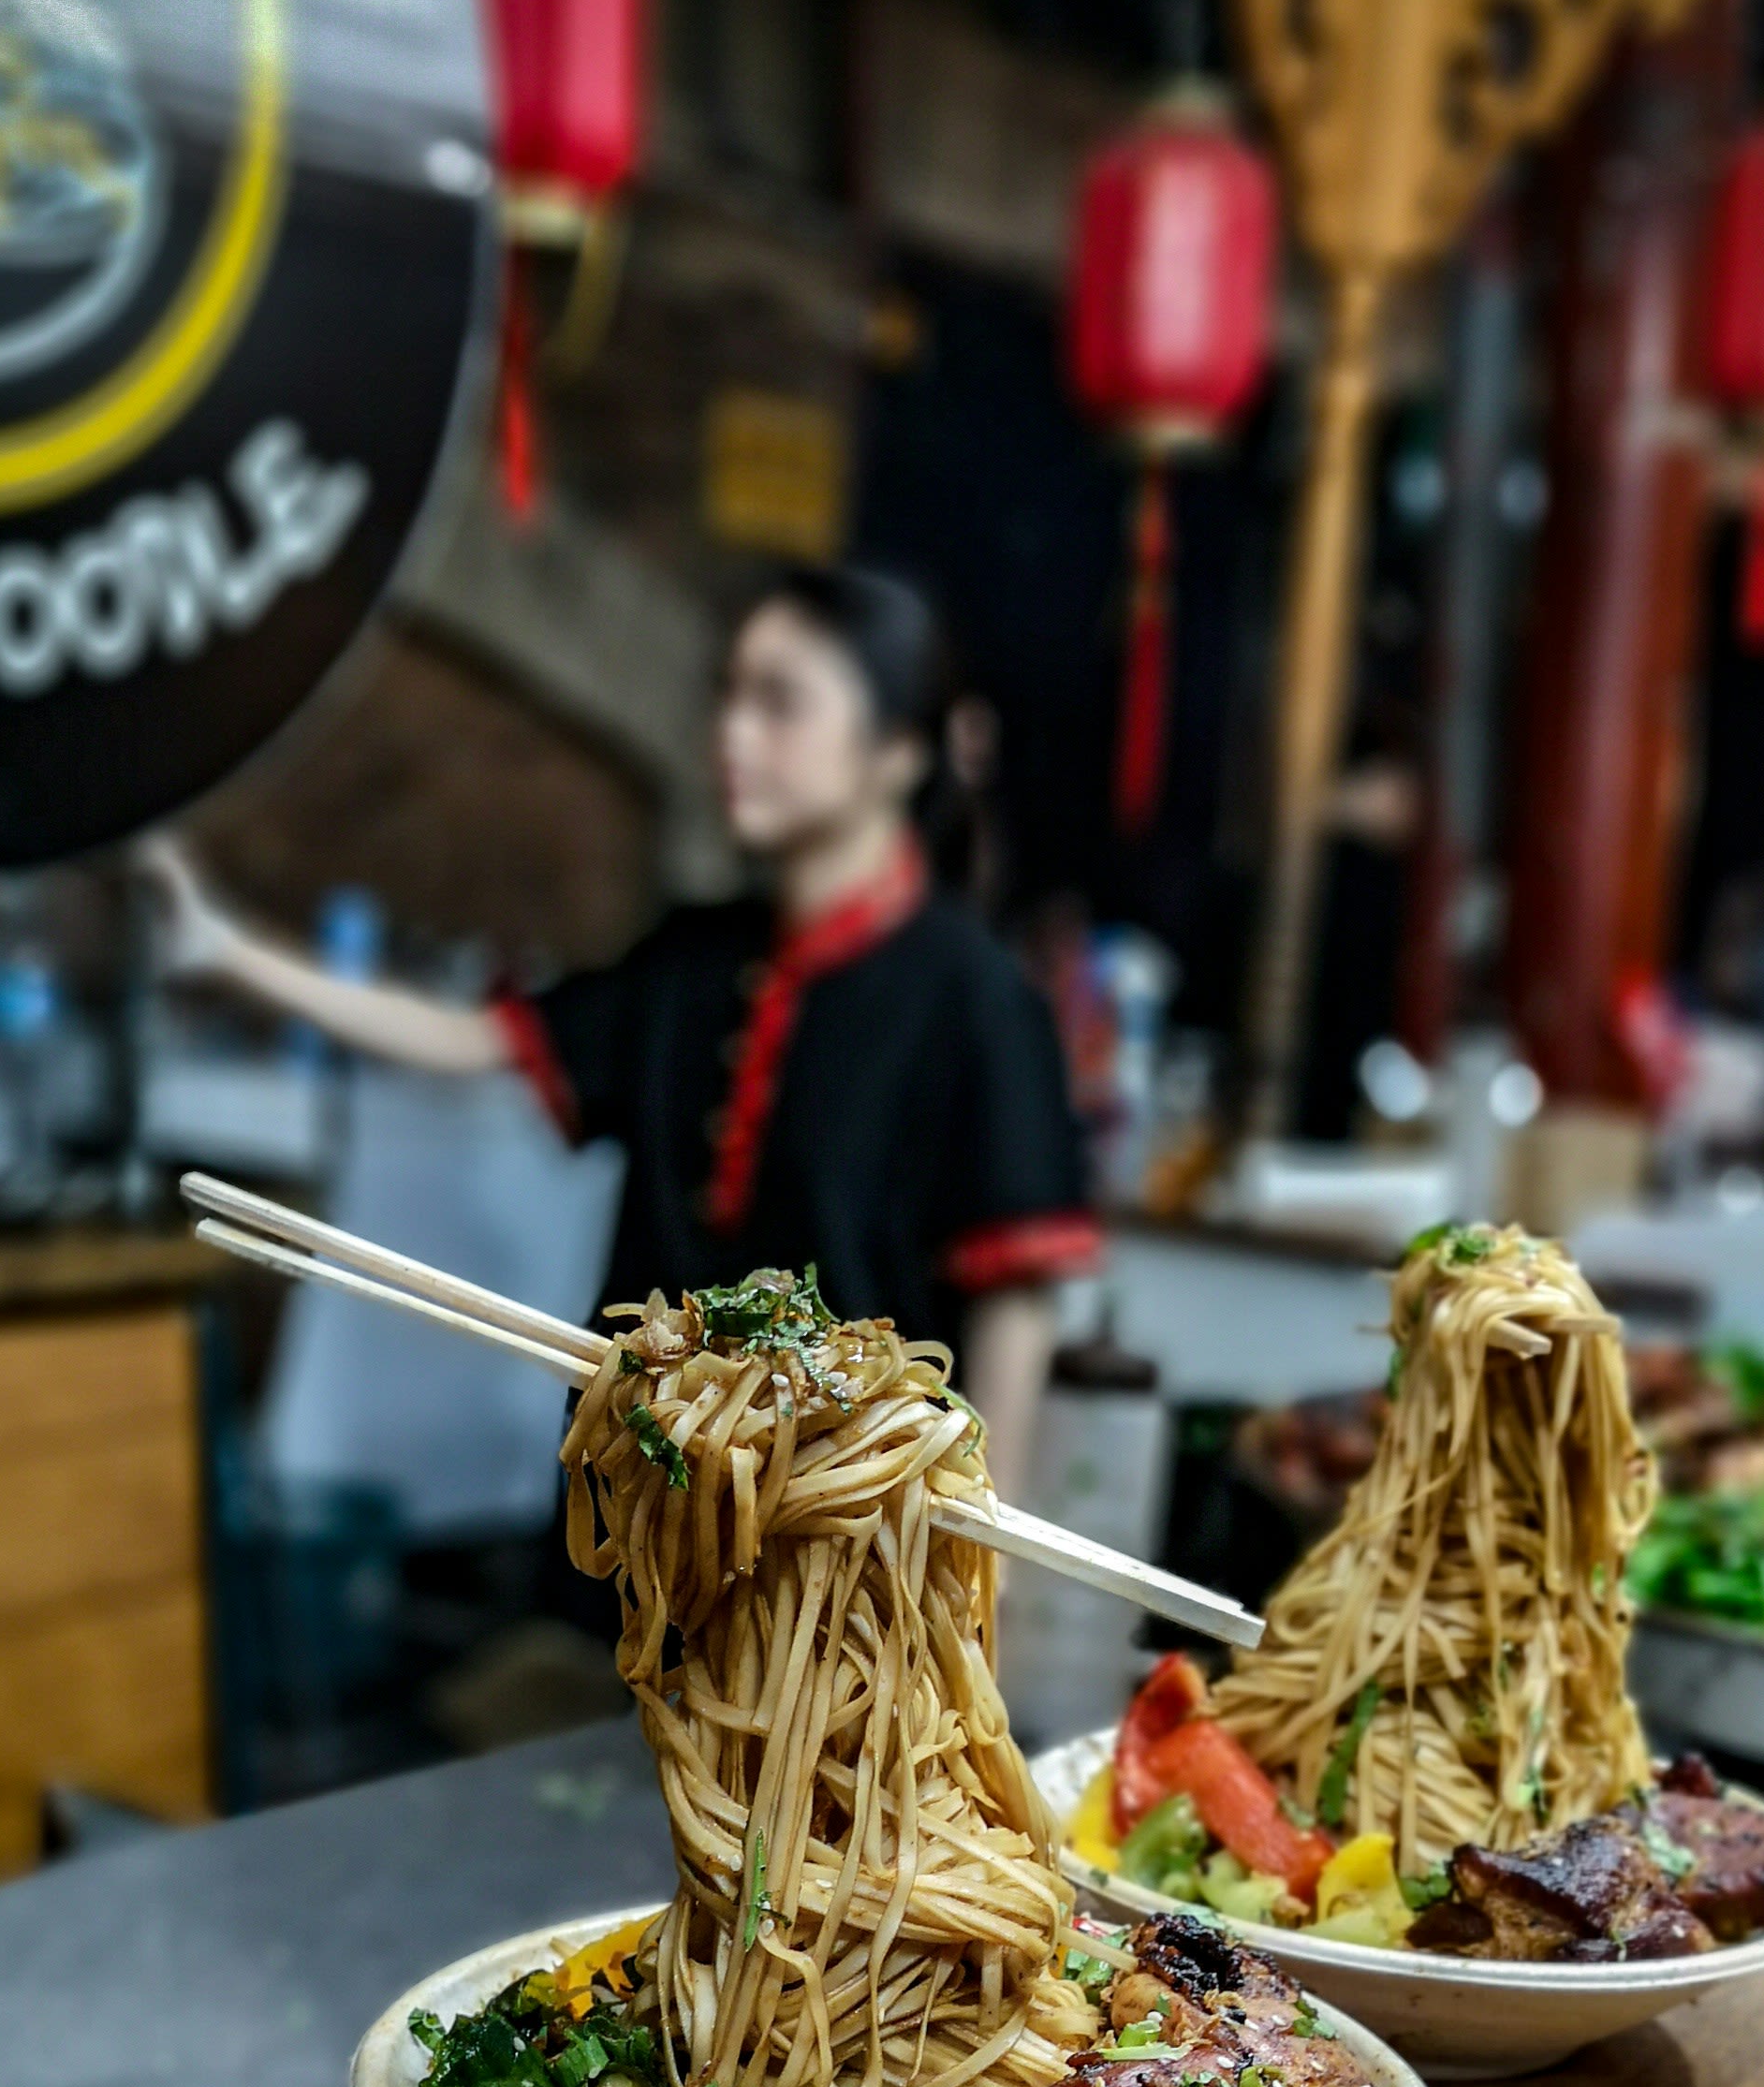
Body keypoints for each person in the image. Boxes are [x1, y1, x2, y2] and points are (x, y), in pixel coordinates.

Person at [142, 566, 1098, 1490]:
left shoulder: (978, 999)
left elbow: (1016, 1301)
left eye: (779, 701)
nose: (731, 732)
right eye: (727, 694)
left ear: (899, 750)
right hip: (640, 1499)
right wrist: (224, 947)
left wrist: (984, 1555)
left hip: (836, 1550)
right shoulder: (692, 959)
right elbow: (474, 1039)